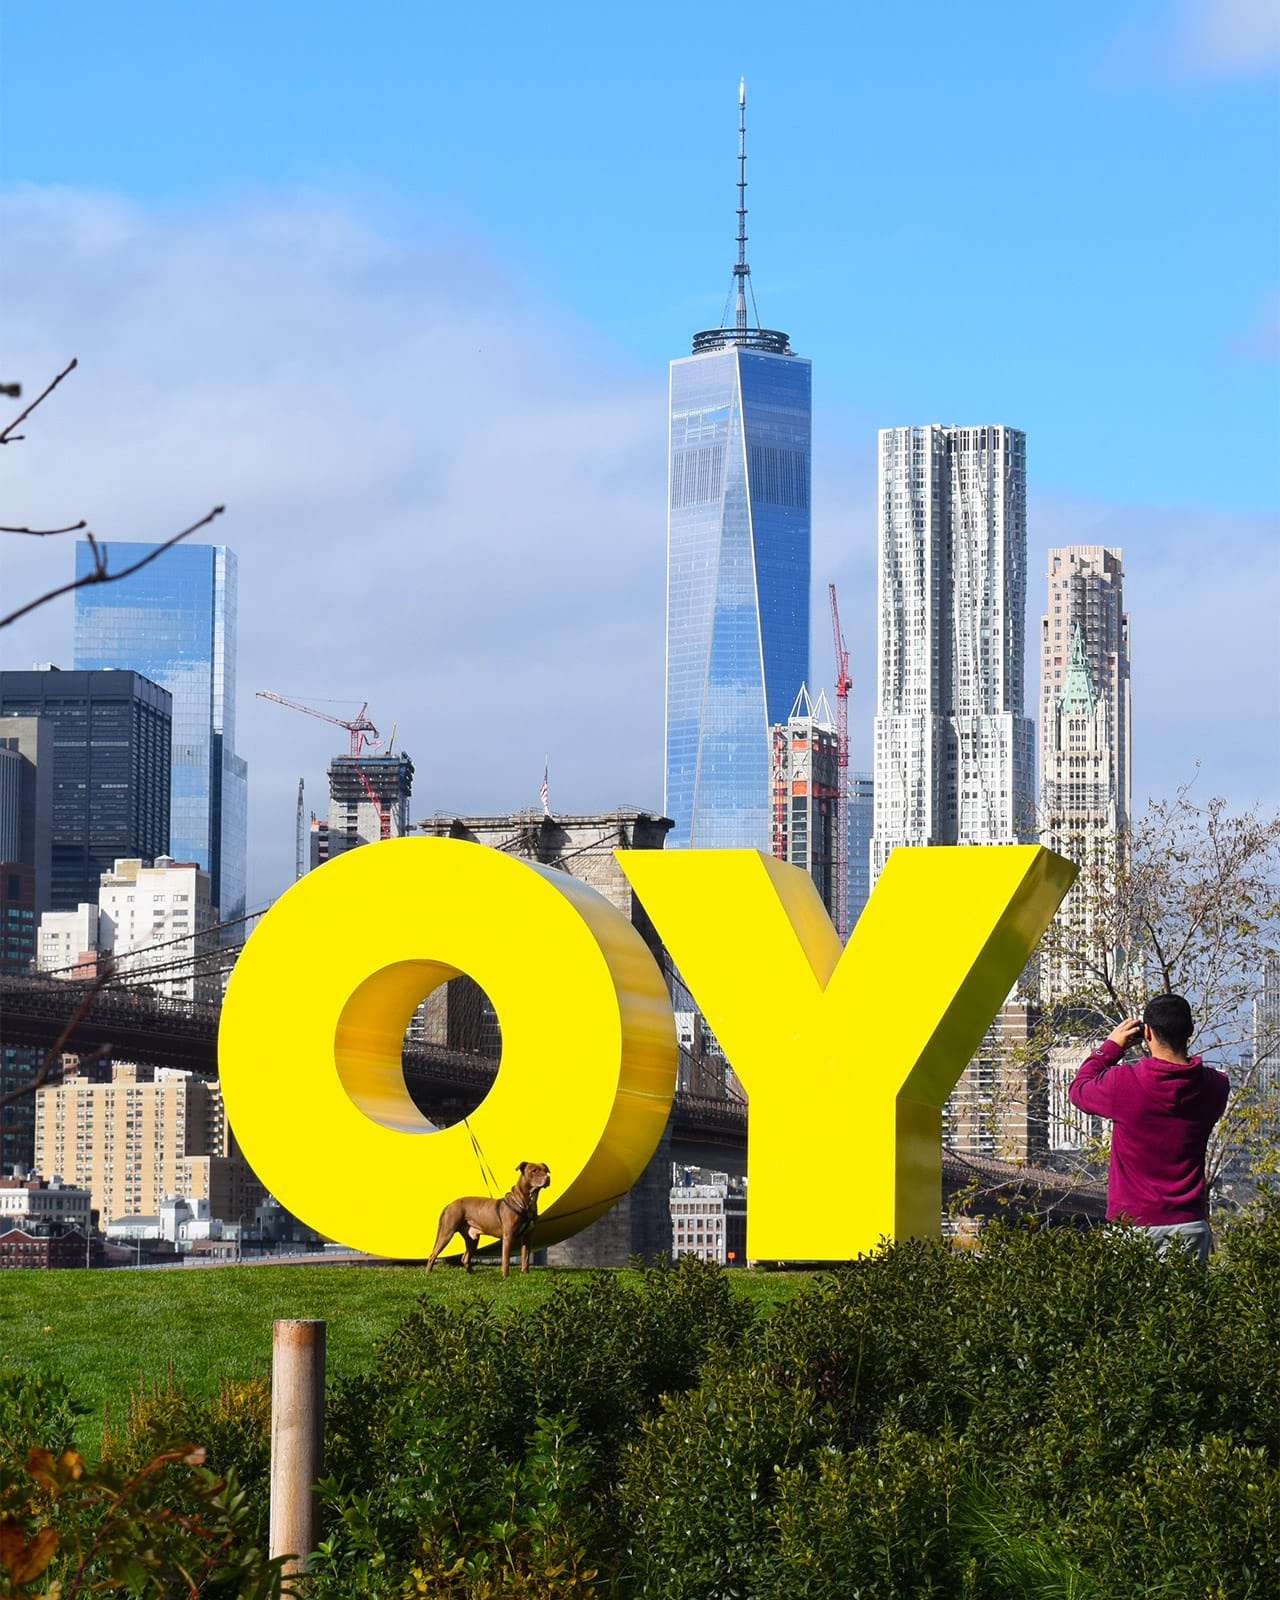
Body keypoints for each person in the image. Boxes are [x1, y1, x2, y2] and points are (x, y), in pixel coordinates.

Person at [1068, 994, 1228, 1264]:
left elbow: (1078, 1090)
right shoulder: (1216, 1086)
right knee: (1185, 1305)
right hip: (1190, 1223)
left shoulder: (1124, 1084)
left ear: (1147, 1032)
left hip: (1132, 1225)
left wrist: (1110, 1047)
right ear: (1190, 1031)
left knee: (1131, 1307)